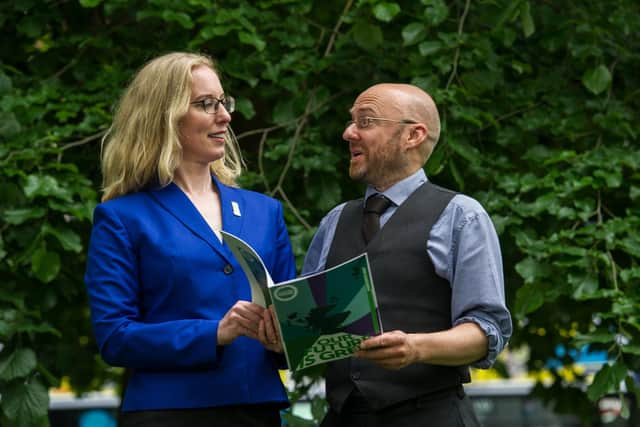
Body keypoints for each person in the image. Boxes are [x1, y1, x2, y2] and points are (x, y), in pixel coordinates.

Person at [84, 52, 296, 427]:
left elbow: (291, 322)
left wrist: (284, 338)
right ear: (164, 117)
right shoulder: (122, 217)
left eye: (223, 102)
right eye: (205, 104)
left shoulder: (265, 212)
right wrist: (215, 332)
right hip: (169, 413)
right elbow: (115, 337)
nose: (225, 115)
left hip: (257, 410)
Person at [302, 83, 512, 427]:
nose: (348, 132)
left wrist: (415, 349)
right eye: (351, 121)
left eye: (365, 121)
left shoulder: (462, 216)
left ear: (412, 135)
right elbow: (309, 327)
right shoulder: (334, 220)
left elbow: (486, 332)